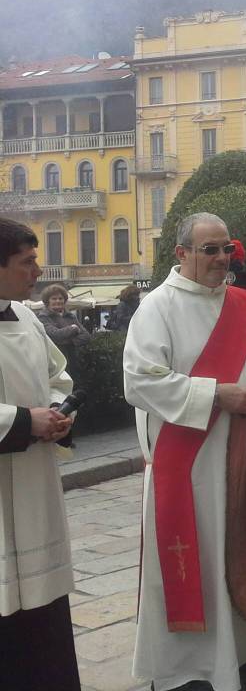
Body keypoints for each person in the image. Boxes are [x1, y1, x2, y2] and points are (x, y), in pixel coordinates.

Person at [123, 212, 246, 691]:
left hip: (244, 448)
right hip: (188, 458)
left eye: (227, 250)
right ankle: (189, 664)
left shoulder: (244, 304)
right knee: (198, 553)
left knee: (243, 547)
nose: (222, 259)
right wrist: (218, 394)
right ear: (182, 254)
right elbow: (139, 379)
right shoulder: (156, 307)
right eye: (210, 250)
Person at [0, 218, 79, 691]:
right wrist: (25, 422)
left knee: (43, 609)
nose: (37, 270)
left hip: (34, 488)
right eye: (26, 262)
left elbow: (59, 375)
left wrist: (56, 409)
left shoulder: (27, 317)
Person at [38, 283, 91, 380]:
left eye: (60, 298)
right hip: (55, 362)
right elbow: (55, 335)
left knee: (74, 385)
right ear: (47, 301)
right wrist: (73, 328)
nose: (58, 301)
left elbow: (86, 336)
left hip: (73, 360)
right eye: (54, 298)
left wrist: (67, 341)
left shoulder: (70, 316)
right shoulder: (43, 317)